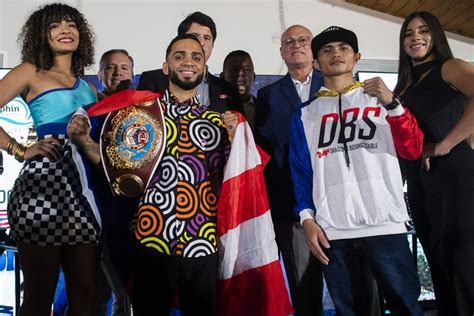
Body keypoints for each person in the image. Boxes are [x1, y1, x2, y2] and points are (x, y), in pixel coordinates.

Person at [289, 25, 424, 316]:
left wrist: (393, 104)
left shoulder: (382, 102)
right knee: (350, 309)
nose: (335, 53)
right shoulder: (304, 114)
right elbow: (300, 173)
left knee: (406, 306)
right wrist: (307, 220)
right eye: (326, 50)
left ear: (357, 56)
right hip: (333, 230)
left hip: (384, 223)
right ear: (315, 63)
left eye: (343, 48)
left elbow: (412, 149)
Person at [0, 3, 98, 315]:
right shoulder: (31, 71)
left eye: (71, 24)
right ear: (42, 34)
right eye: (56, 25)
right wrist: (19, 149)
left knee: (85, 293)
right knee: (39, 295)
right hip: (41, 190)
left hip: (82, 192)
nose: (65, 30)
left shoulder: (90, 87)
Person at [129, 33, 238, 316]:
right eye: (179, 56)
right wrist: (86, 142)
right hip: (151, 236)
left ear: (203, 68)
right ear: (165, 67)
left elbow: (238, 180)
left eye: (196, 57)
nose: (188, 62)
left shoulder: (219, 123)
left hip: (202, 241)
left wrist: (238, 140)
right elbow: (117, 169)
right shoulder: (142, 117)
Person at [394, 11, 474, 315]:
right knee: (438, 266)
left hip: (458, 177)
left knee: (463, 268)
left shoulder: (449, 67)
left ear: (435, 36)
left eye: (423, 31)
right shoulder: (403, 86)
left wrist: (443, 145)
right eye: (409, 33)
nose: (416, 37)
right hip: (421, 183)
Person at [95, 49, 136, 316]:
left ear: (133, 75)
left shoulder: (147, 110)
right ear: (100, 75)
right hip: (97, 210)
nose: (118, 72)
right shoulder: (88, 110)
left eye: (124, 67)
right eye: (111, 67)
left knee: (130, 293)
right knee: (95, 293)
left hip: (137, 213)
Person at [138, 11, 243, 114]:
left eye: (207, 38)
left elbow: (239, 128)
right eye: (195, 36)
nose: (201, 43)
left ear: (212, 45)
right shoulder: (151, 80)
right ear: (180, 39)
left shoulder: (227, 89)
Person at [221, 50, 257, 131]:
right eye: (235, 69)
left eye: (247, 69)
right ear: (222, 77)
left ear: (254, 77)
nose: (241, 73)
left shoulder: (265, 109)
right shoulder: (214, 108)